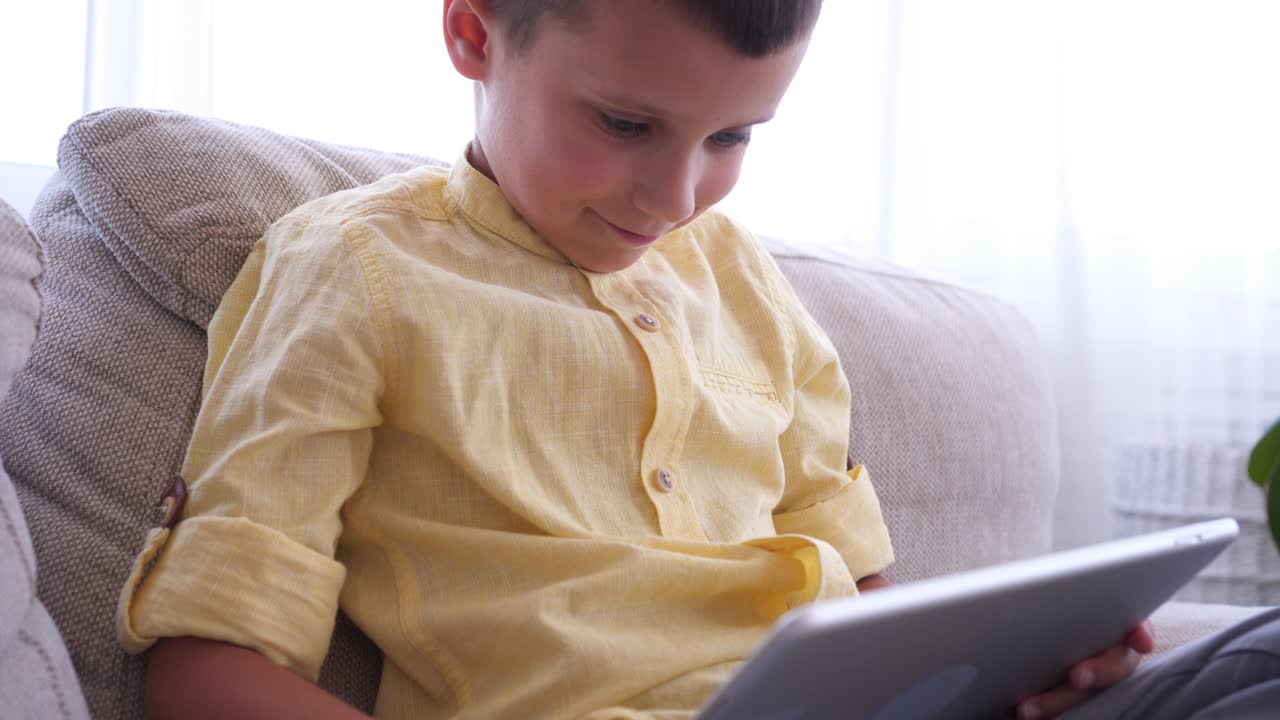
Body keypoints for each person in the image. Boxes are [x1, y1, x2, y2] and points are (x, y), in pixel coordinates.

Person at [118, 1, 1280, 719]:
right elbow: (204, 671)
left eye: (731, 138)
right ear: (471, 30)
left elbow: (874, 614)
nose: (675, 199)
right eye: (625, 124)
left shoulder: (742, 283)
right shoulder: (353, 272)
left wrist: (1007, 672)